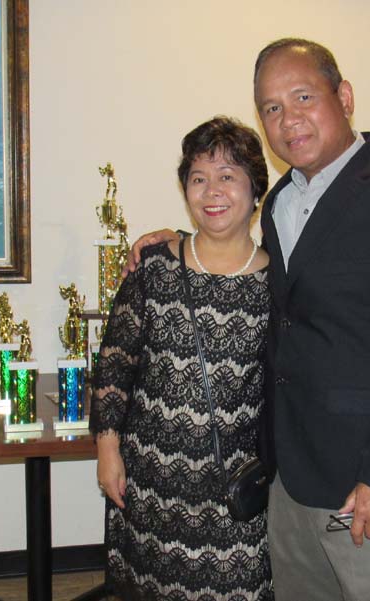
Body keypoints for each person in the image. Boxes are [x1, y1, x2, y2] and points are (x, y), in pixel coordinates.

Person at [126, 38, 370, 601]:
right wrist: (178, 242)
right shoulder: (282, 199)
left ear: (345, 97)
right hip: (289, 480)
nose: (288, 119)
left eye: (304, 96)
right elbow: (262, 278)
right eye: (272, 107)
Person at [90, 116, 273, 601]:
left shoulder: (279, 282)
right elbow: (114, 364)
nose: (212, 191)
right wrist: (107, 450)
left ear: (255, 189)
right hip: (151, 484)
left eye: (228, 176)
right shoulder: (154, 268)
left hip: (235, 491)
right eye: (198, 178)